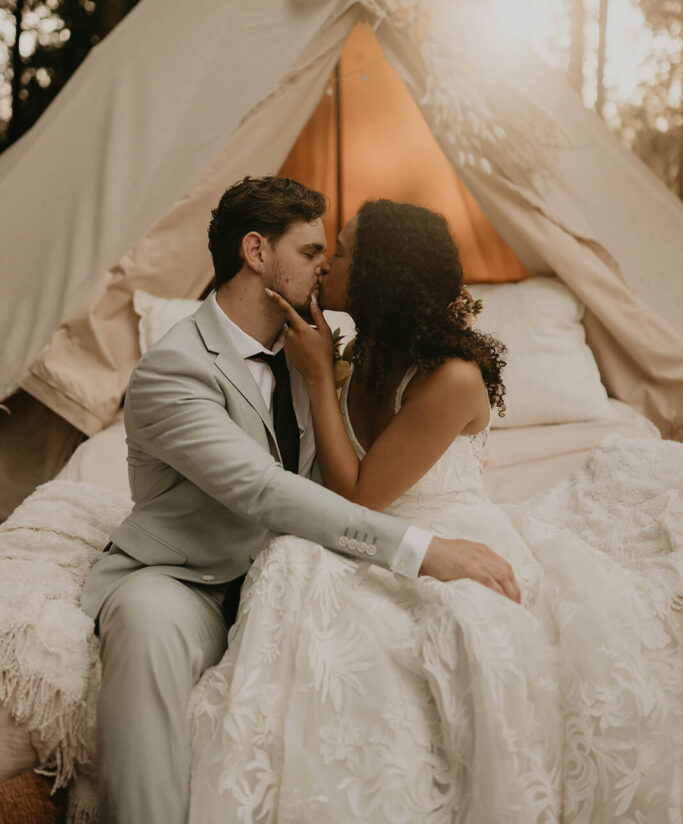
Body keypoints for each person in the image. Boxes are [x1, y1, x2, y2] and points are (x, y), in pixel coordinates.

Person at [188, 199, 683, 824]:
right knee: (295, 579)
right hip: (362, 528)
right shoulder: (363, 349)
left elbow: (359, 498)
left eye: (341, 250)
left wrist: (318, 379)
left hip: (440, 527)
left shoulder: (452, 376)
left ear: (379, 275)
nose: (327, 263)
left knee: (456, 630)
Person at [80, 178, 518, 824]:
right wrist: (421, 551)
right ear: (256, 253)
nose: (326, 266)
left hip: (306, 565)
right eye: (313, 250)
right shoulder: (173, 370)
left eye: (330, 252)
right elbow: (261, 487)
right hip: (193, 576)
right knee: (145, 626)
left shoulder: (317, 343)